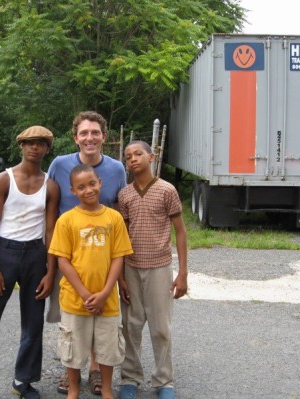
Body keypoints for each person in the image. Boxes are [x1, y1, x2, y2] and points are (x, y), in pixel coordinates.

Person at [0, 126, 59, 399]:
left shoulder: (50, 186)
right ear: (21, 146)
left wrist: (50, 272)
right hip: (5, 254)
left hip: (35, 256)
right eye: (29, 143)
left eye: (40, 144)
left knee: (33, 323)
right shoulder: (3, 181)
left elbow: (50, 230)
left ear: (47, 148)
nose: (34, 148)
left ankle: (23, 381)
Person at [47, 110, 126, 395]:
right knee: (71, 321)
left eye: (95, 132)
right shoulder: (59, 164)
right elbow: (50, 208)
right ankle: (71, 376)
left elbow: (120, 211)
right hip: (69, 256)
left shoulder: (117, 169)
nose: (89, 137)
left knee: (103, 324)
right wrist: (50, 263)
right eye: (84, 133)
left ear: (104, 137)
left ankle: (96, 371)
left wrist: (119, 279)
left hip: (103, 258)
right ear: (75, 137)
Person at [117, 140, 188, 399]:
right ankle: (130, 377)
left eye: (138, 154)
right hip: (131, 269)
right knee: (130, 326)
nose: (133, 159)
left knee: (161, 328)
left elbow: (180, 232)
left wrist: (182, 273)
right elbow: (122, 236)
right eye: (128, 156)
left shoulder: (167, 190)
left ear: (152, 156)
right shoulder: (124, 195)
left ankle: (163, 381)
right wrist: (120, 277)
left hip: (159, 268)